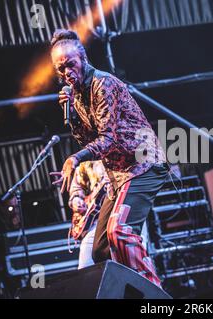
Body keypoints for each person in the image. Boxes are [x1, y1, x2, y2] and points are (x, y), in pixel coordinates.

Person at [49, 29, 168, 287]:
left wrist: (75, 158)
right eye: (61, 70)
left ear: (83, 58)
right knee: (101, 249)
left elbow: (108, 138)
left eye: (70, 64)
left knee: (120, 231)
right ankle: (127, 290)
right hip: (118, 176)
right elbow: (88, 140)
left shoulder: (103, 84)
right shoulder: (78, 96)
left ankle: (153, 291)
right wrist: (71, 117)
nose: (67, 73)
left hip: (143, 164)